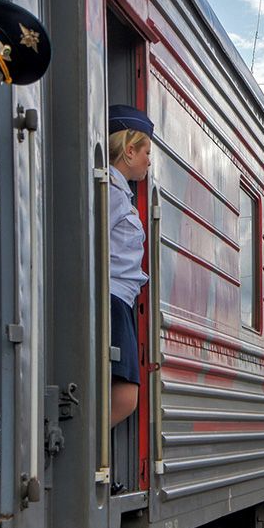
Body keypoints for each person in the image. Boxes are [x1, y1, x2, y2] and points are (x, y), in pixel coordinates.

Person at [107, 105, 153, 426]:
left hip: (120, 301)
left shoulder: (119, 192)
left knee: (123, 397)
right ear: (129, 149)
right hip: (113, 299)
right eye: (146, 152)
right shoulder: (109, 192)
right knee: (125, 399)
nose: (149, 161)